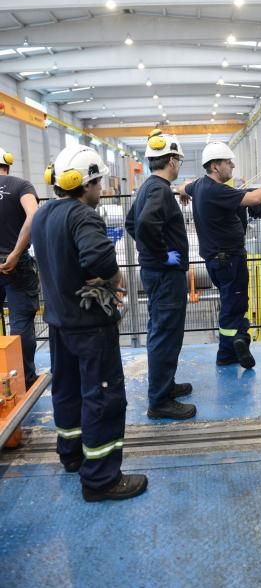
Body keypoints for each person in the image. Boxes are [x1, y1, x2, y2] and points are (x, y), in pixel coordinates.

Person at [31, 145, 147, 502]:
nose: (101, 190)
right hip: (90, 326)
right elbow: (97, 254)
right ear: (85, 184)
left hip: (59, 322)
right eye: (98, 183)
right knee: (104, 396)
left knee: (67, 390)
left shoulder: (43, 214)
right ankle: (101, 479)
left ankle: (71, 455)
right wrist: (115, 280)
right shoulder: (82, 216)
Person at [178, 142, 261, 368]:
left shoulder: (199, 185)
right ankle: (233, 346)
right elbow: (256, 199)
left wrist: (183, 194)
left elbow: (183, 186)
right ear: (216, 166)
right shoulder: (217, 190)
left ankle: (233, 345)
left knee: (230, 302)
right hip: (229, 259)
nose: (233, 166)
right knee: (234, 305)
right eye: (229, 162)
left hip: (214, 260)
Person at [125, 129, 195, 421]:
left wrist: (151, 254)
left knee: (163, 331)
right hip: (165, 276)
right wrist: (161, 255)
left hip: (157, 274)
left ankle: (165, 386)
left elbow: (130, 223)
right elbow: (142, 223)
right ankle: (159, 401)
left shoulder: (147, 187)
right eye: (177, 159)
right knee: (165, 335)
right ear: (171, 161)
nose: (178, 163)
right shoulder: (159, 190)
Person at [0, 146, 39, 389]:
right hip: (15, 265)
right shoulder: (20, 186)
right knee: (21, 321)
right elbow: (33, 215)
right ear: (8, 163)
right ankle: (23, 378)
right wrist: (14, 254)